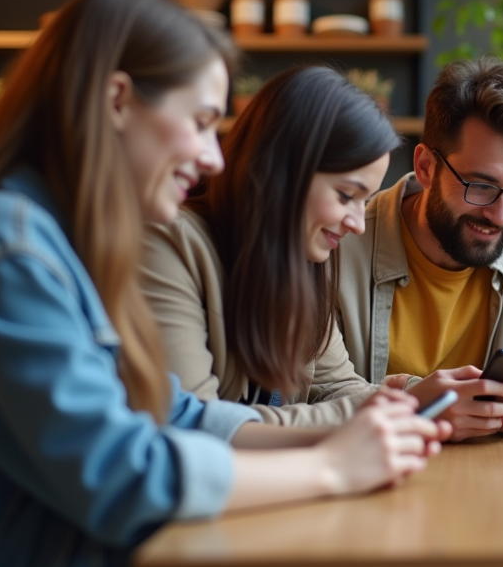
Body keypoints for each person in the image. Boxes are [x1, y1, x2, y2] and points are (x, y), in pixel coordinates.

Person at [0, 0, 444, 567]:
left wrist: (367, 425)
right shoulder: (6, 244)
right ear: (118, 101)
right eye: (202, 122)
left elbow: (178, 415)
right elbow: (121, 475)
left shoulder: (56, 244)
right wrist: (330, 469)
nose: (215, 155)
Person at [142, 65, 398, 425]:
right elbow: (197, 425)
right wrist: (375, 412)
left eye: (365, 200)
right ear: (281, 172)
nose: (357, 224)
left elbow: (336, 384)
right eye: (345, 195)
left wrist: (426, 398)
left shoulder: (302, 252)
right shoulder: (169, 244)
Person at [337, 56, 503, 442]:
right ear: (427, 167)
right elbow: (314, 390)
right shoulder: (336, 248)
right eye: (480, 186)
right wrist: (416, 401)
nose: (500, 215)